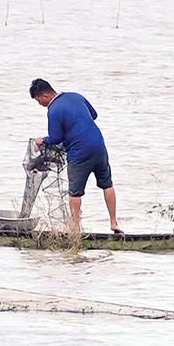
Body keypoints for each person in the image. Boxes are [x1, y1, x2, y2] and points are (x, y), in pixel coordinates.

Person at [29, 78, 121, 233]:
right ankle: (113, 223)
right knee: (107, 185)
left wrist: (42, 140)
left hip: (79, 153)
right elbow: (94, 115)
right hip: (99, 147)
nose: (40, 104)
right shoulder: (76, 96)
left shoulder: (53, 110)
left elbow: (56, 138)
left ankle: (76, 230)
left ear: (45, 96)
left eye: (39, 101)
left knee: (75, 193)